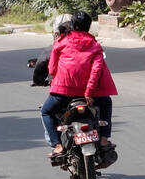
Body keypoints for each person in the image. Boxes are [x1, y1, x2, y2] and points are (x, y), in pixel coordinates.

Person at [41, 10, 118, 158]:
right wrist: (88, 92)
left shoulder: (61, 42)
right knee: (106, 103)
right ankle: (103, 139)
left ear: (72, 25)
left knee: (46, 111)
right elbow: (96, 70)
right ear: (89, 27)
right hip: (91, 94)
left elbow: (51, 68)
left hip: (63, 91)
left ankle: (57, 145)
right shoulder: (94, 45)